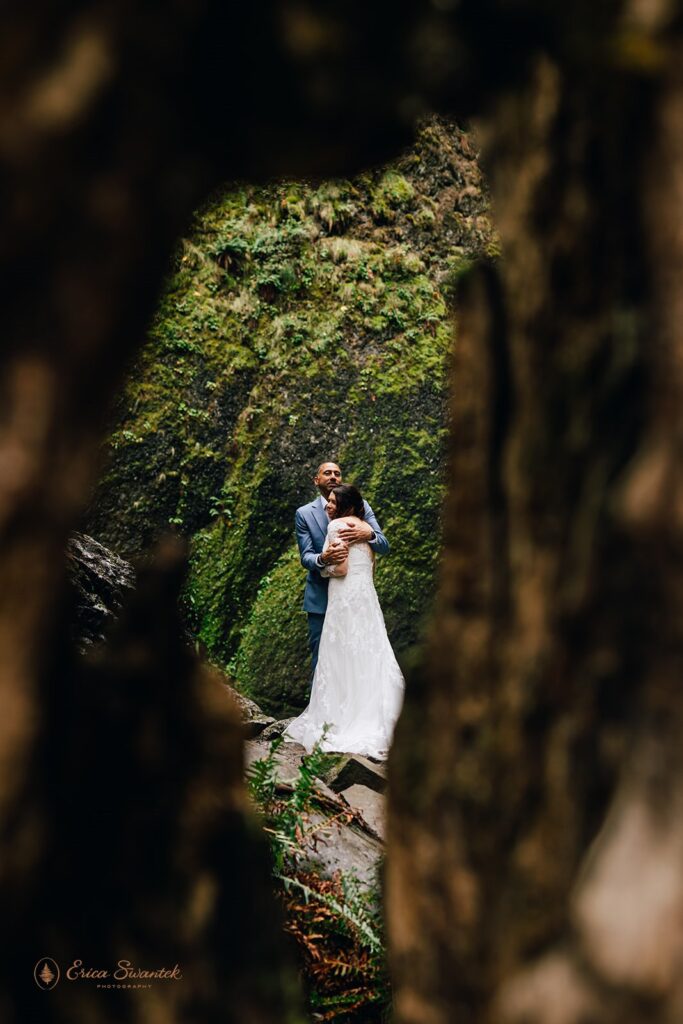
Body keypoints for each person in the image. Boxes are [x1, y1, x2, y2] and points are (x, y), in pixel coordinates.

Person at [286, 483, 405, 758]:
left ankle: (340, 718)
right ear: (316, 478)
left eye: (332, 502)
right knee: (370, 652)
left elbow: (340, 568)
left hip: (342, 598)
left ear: (343, 504)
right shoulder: (353, 521)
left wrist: (325, 566)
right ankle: (375, 716)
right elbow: (371, 564)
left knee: (338, 654)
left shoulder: (337, 526)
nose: (328, 505)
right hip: (365, 598)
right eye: (326, 501)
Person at [294, 461, 389, 677]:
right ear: (316, 480)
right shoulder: (304, 514)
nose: (333, 477)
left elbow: (383, 544)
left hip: (355, 597)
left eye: (337, 473)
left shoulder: (360, 506)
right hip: (321, 598)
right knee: (323, 660)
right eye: (327, 473)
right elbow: (306, 556)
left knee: (360, 654)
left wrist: (369, 535)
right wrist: (323, 558)